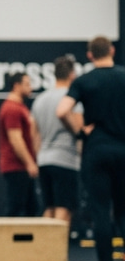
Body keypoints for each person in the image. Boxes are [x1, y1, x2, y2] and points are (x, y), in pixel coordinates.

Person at [57, 36, 125, 261]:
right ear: (112, 51)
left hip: (96, 151)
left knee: (100, 213)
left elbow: (62, 111)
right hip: (123, 149)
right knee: (123, 211)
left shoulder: (84, 81)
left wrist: (80, 132)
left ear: (89, 56)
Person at [31, 56, 83, 227]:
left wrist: (37, 159)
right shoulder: (72, 98)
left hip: (44, 160)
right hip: (65, 160)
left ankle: (44, 251)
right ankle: (56, 252)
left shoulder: (40, 99)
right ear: (72, 75)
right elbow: (79, 129)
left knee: (49, 208)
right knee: (64, 208)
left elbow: (34, 135)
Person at [0, 71, 39, 216]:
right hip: (16, 167)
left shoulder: (20, 107)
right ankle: (6, 239)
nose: (31, 88)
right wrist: (29, 163)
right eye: (27, 84)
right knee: (15, 208)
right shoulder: (11, 109)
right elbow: (16, 139)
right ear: (16, 86)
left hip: (22, 167)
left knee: (31, 209)